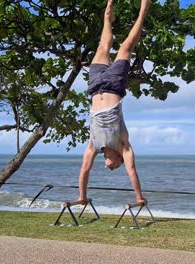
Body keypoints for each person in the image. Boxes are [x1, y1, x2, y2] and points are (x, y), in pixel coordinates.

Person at [64, 0, 150, 207]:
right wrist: (139, 198)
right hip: (113, 85)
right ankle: (143, 9)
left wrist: (81, 197)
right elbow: (132, 171)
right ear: (120, 158)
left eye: (108, 166)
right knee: (126, 46)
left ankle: (107, 14)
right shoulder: (124, 144)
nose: (108, 166)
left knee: (103, 45)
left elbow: (84, 170)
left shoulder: (94, 145)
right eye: (114, 166)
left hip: (95, 85)